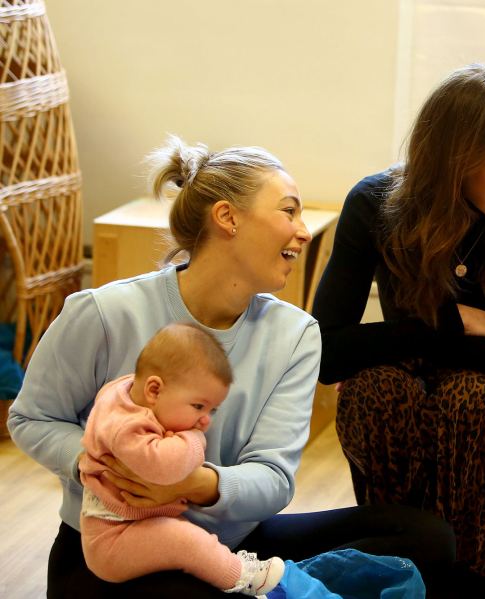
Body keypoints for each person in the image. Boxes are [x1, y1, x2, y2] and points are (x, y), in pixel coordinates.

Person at [8, 136, 455, 598]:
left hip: (227, 547)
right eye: (288, 211)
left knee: (426, 539)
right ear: (227, 217)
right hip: (110, 552)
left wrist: (191, 484)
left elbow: (274, 479)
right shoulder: (103, 313)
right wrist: (98, 466)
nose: (302, 231)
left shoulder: (295, 334)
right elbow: (31, 417)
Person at [312, 64, 485, 596]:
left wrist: (411, 331)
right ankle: (395, 565)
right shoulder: (376, 203)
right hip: (404, 386)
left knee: (471, 396)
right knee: (377, 388)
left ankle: (483, 577)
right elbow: (325, 354)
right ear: (452, 159)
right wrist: (453, 324)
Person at [79, 322, 286, 595]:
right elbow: (167, 468)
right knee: (186, 543)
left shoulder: (127, 394)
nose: (204, 421)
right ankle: (242, 577)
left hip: (133, 524)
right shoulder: (125, 427)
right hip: (113, 539)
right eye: (199, 406)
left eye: (211, 410)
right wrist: (194, 439)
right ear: (154, 390)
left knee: (191, 537)